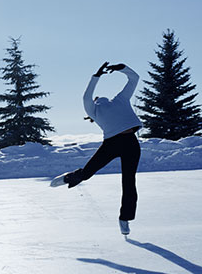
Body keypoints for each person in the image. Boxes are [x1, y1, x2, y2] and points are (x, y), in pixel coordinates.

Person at [51, 62, 142, 235]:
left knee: (127, 181)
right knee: (94, 173)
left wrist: (111, 72)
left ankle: (125, 218)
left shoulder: (119, 100)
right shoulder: (94, 109)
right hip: (118, 143)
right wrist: (108, 73)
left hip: (126, 142)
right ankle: (68, 178)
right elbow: (88, 96)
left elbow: (133, 79)